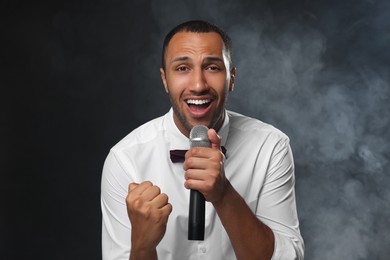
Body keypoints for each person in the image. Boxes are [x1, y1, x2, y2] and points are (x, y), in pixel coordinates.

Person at [101, 20, 304, 260]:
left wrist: (223, 194)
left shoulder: (271, 147)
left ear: (232, 78)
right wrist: (143, 246)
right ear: (165, 80)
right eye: (183, 68)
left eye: (213, 67)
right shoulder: (125, 159)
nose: (198, 85)